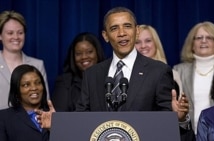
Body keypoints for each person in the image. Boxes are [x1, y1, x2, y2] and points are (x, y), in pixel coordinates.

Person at [36, 6, 192, 139]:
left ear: (137, 31)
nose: (122, 33)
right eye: (114, 28)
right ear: (105, 36)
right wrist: (57, 126)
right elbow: (81, 121)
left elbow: (165, 128)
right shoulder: (92, 74)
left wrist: (178, 119)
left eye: (127, 26)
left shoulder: (158, 71)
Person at [173, 21, 214, 134]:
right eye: (199, 38)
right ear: (192, 44)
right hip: (187, 133)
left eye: (209, 37)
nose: (204, 41)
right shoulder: (179, 70)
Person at [0, 10, 50, 110]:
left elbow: (45, 101)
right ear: (0, 35)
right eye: (10, 33)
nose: (16, 37)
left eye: (20, 33)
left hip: (29, 124)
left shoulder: (37, 65)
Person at [51, 32, 105, 111]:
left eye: (89, 52)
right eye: (78, 54)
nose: (84, 57)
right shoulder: (64, 82)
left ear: (98, 53)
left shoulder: (109, 77)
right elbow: (60, 116)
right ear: (73, 57)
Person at [0, 64, 49, 141]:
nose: (34, 88)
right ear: (16, 90)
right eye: (26, 85)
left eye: (38, 83)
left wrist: (54, 127)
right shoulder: (3, 118)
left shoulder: (57, 115)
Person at [135, 24, 183, 96]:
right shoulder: (127, 73)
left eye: (148, 41)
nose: (143, 46)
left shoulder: (172, 74)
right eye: (137, 42)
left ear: (156, 43)